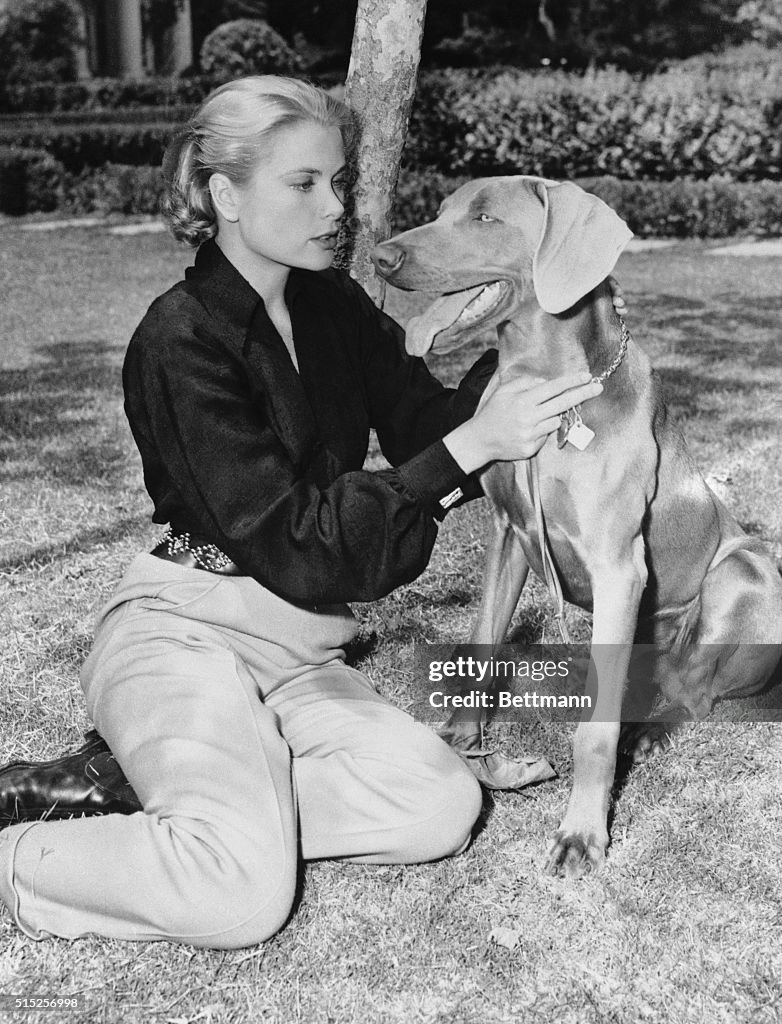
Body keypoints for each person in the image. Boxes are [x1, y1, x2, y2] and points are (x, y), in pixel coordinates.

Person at [0, 76, 611, 948]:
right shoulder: (179, 340)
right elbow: (299, 542)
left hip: (298, 652)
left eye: (340, 182)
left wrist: (531, 320)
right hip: (184, 631)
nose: (337, 208)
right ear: (226, 196)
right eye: (304, 184)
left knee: (439, 802)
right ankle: (30, 860)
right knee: (239, 900)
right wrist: (476, 445)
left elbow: (428, 428)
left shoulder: (332, 306)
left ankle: (156, 792)